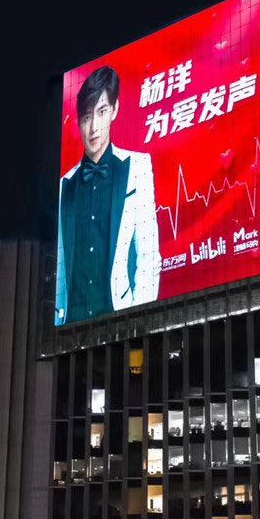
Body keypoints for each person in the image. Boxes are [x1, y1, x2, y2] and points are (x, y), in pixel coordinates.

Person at [55, 66, 160, 325]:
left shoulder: (137, 167)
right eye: (86, 117)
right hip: (72, 326)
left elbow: (148, 255)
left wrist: (137, 321)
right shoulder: (64, 185)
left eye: (101, 112)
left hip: (119, 319)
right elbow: (60, 268)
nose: (93, 127)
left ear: (114, 110)